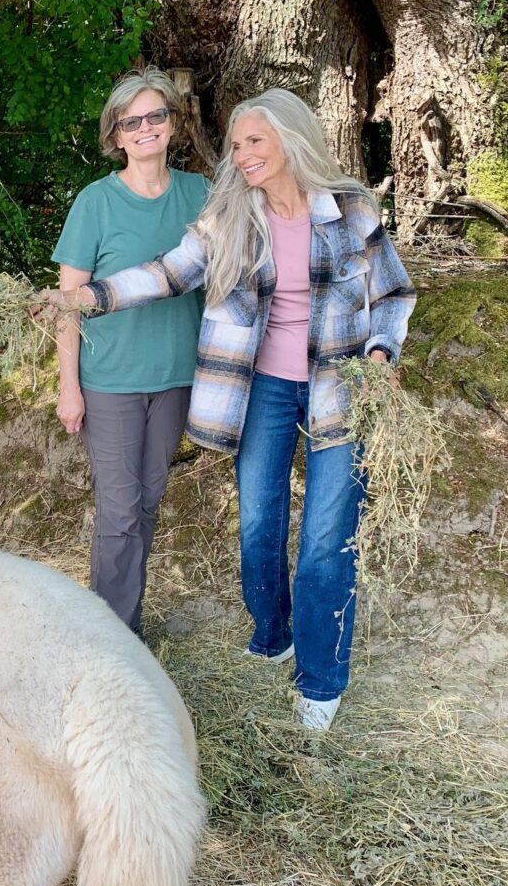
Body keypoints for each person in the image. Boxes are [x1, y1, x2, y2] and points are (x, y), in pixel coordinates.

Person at [41, 88, 416, 730]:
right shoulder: (231, 215)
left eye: (254, 143)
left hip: (338, 386)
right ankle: (274, 635)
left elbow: (393, 293)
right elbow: (166, 273)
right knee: (257, 527)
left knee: (327, 535)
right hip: (262, 388)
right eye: (237, 144)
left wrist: (379, 356)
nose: (241, 156)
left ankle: (320, 682)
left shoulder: (350, 208)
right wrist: (86, 299)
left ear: (290, 141)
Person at [52, 68, 209, 636]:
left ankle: (120, 620)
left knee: (147, 503)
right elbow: (70, 302)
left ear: (172, 123)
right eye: (132, 121)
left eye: (156, 117)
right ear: (116, 135)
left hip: (174, 377)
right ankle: (114, 638)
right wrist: (69, 386)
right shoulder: (96, 203)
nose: (146, 129)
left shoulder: (200, 194)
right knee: (119, 512)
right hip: (111, 380)